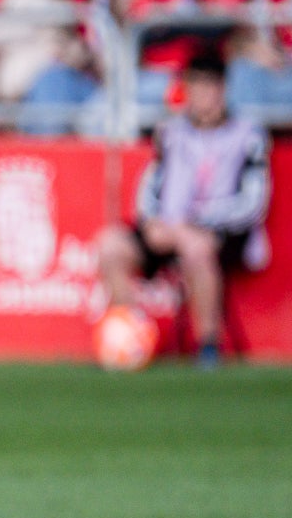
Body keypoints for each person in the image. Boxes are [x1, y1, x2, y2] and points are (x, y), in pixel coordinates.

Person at [97, 51, 271, 370]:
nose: (203, 95)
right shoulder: (170, 133)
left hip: (222, 232)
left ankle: (207, 344)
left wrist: (199, 224)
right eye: (196, 86)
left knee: (196, 248)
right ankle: (132, 333)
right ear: (186, 90)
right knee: (110, 245)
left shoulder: (249, 135)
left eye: (210, 86)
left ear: (222, 89)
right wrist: (150, 222)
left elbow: (253, 202)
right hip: (169, 226)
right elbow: (151, 183)